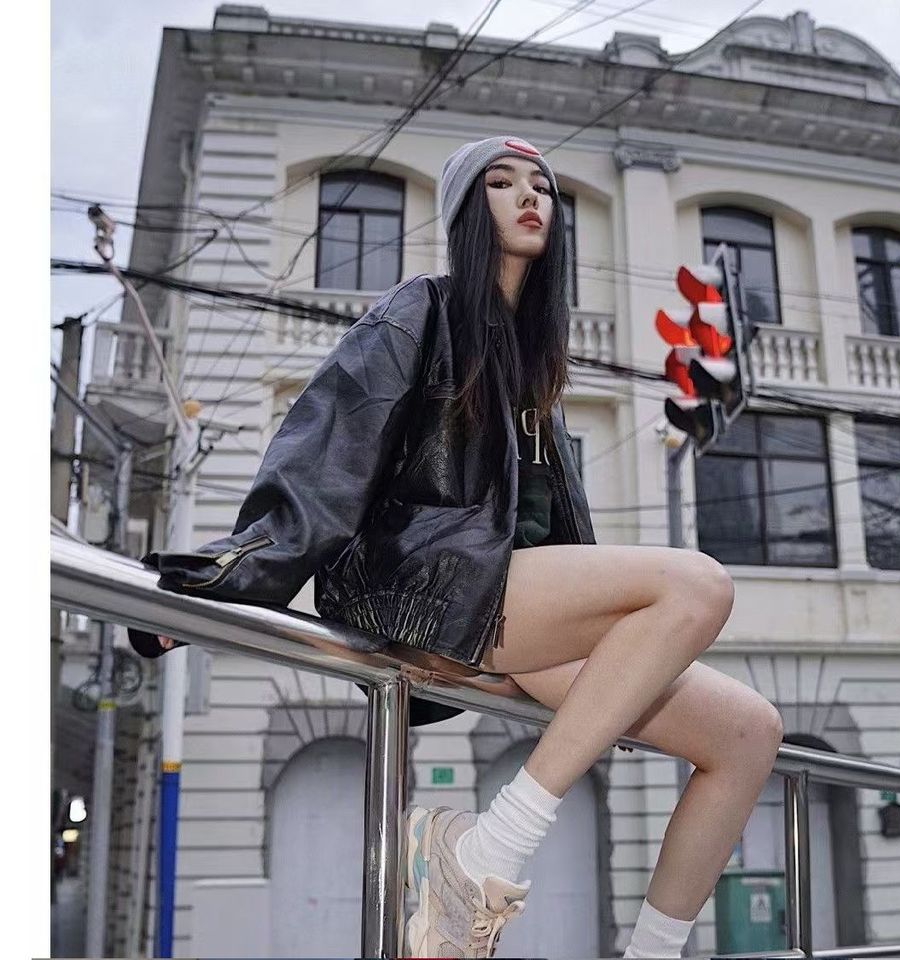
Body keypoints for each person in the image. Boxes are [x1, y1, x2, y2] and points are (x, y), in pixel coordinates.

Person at [131, 135, 784, 959]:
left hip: (505, 607)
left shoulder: (534, 362)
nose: (531, 196)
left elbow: (556, 536)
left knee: (750, 734)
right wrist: (230, 578)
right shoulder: (422, 310)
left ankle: (651, 953)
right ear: (467, 211)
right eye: (502, 183)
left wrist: (625, 669)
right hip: (420, 586)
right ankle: (488, 850)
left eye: (542, 185)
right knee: (698, 585)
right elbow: (330, 443)